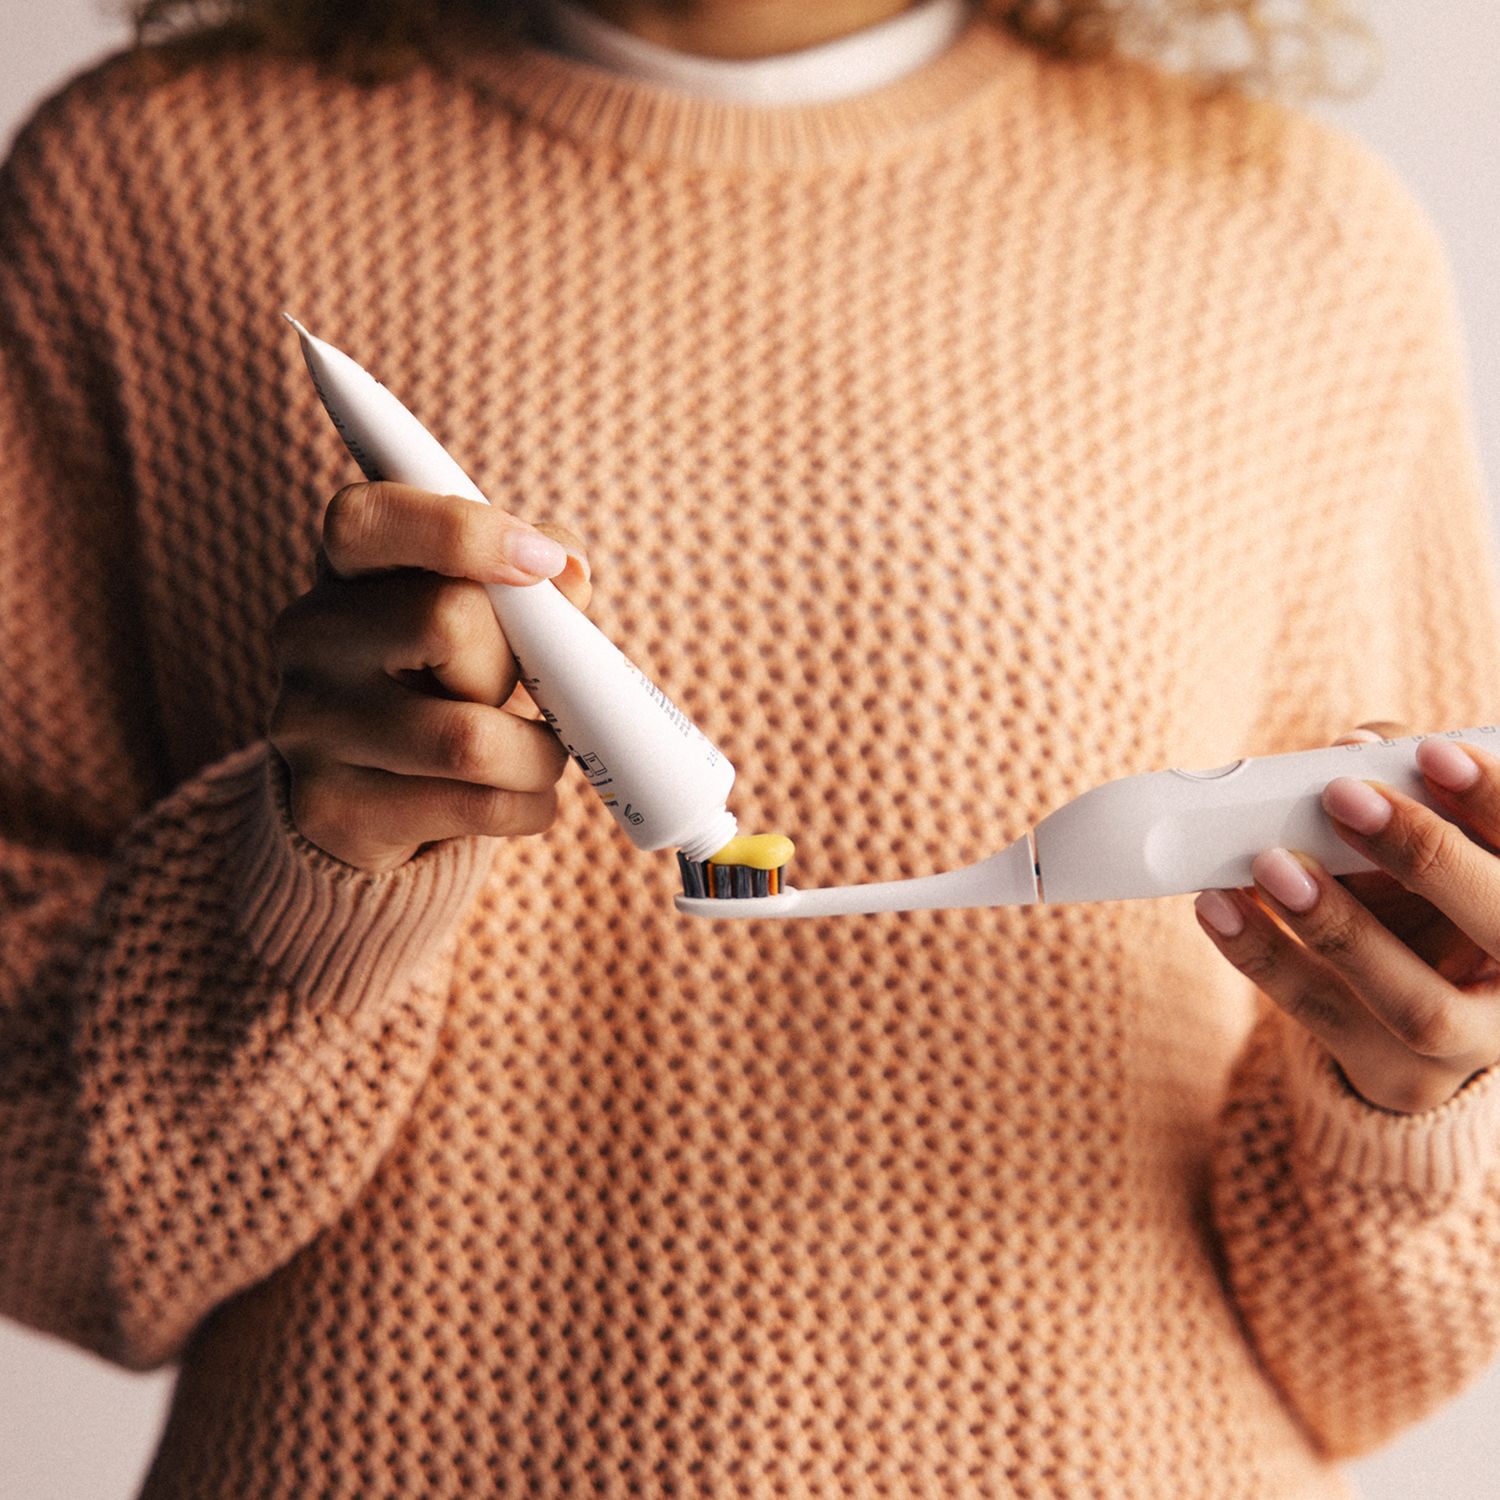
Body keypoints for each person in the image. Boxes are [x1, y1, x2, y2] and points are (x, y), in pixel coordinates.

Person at [3, 0, 1500, 1494]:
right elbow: (47, 1218)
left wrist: (1409, 1100)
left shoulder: (1300, 246)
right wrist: (303, 890)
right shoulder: (149, 189)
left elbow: (1377, 1341)